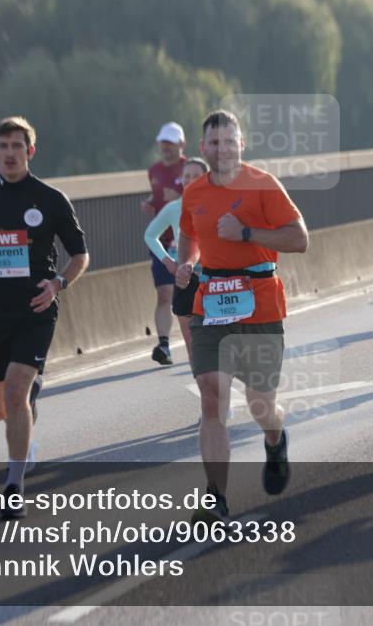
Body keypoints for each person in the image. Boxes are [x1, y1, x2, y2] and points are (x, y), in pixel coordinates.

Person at [0, 116, 89, 519]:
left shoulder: (50, 198)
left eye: (18, 146)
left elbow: (80, 255)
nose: (10, 153)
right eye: (3, 147)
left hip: (35, 308)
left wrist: (58, 284)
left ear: (30, 151)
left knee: (15, 392)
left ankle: (14, 486)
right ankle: (26, 402)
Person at [176, 110, 308, 521]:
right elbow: (188, 235)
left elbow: (300, 239)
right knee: (212, 400)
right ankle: (215, 497)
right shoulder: (194, 192)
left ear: (242, 144)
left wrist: (248, 233)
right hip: (211, 302)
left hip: (260, 301)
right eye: (214, 143)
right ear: (203, 148)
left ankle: (275, 438)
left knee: (260, 404)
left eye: (230, 142)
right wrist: (187, 263)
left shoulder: (263, 185)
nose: (222, 149)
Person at [144, 157, 210, 362]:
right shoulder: (174, 208)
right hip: (185, 276)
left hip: (214, 276)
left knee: (214, 339)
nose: (190, 180)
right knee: (194, 351)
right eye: (186, 176)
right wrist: (167, 261)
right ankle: (204, 383)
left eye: (196, 176)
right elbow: (149, 235)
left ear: (207, 178)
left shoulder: (217, 204)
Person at [142, 122, 187, 366]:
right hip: (163, 242)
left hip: (189, 242)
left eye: (171, 144)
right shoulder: (154, 171)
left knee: (189, 294)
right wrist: (151, 202)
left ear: (182, 145)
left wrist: (179, 198)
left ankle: (203, 339)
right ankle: (163, 344)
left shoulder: (191, 169)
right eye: (163, 144)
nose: (166, 148)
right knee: (164, 293)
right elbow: (158, 194)